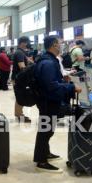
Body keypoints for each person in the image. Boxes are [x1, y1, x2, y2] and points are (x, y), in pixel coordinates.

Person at [34, 36, 80, 173]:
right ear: (54, 45)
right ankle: (41, 161)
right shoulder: (48, 63)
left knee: (48, 130)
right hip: (48, 101)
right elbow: (51, 86)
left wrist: (63, 81)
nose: (62, 46)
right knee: (45, 131)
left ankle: (45, 153)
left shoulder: (48, 60)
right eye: (60, 44)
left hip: (47, 100)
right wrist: (72, 88)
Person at [12, 36, 32, 123]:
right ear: (23, 43)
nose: (28, 44)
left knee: (19, 96)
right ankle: (19, 115)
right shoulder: (20, 53)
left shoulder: (20, 52)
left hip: (18, 78)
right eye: (27, 42)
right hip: (19, 78)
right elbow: (22, 67)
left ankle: (18, 113)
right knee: (20, 96)